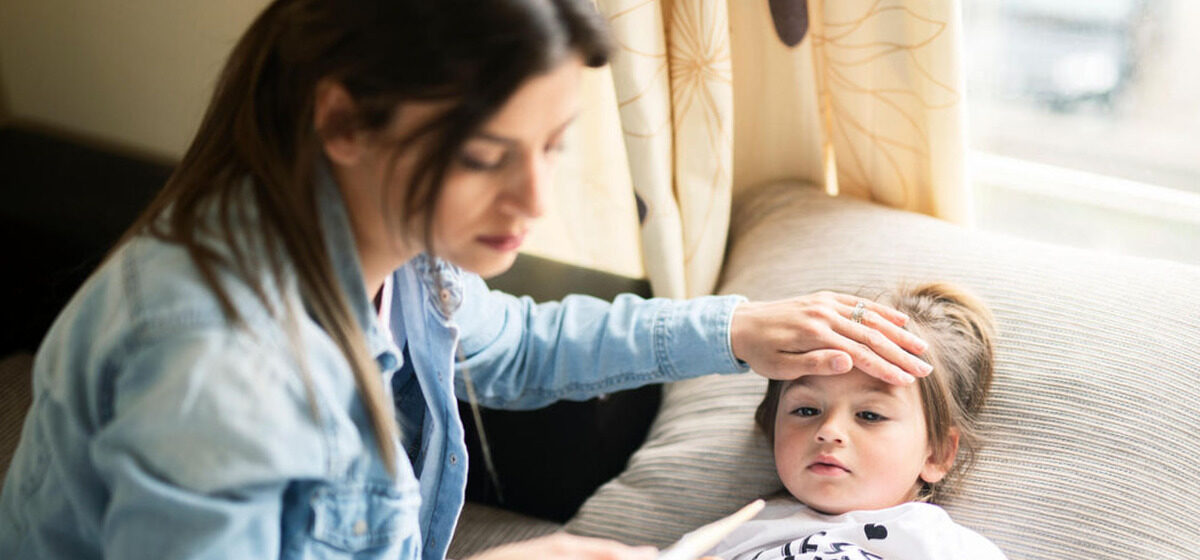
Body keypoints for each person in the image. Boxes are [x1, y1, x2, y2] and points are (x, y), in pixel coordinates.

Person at [0, 1, 933, 559]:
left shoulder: (397, 246)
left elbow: (510, 346)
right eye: (488, 157)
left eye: (553, 147)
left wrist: (732, 330)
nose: (534, 199)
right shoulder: (213, 370)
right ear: (344, 122)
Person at [706, 283, 1007, 560]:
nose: (829, 431)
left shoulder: (947, 547)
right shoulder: (731, 535)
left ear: (937, 453)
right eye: (806, 411)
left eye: (870, 415)